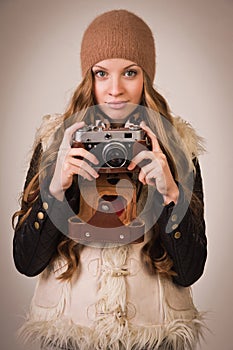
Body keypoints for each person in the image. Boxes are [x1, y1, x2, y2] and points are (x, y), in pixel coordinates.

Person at [12, 9, 207, 350]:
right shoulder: (55, 144)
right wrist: (54, 190)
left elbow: (190, 271)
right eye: (102, 73)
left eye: (129, 72)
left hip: (154, 337)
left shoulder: (177, 147)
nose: (115, 89)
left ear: (146, 77)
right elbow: (26, 263)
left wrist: (171, 193)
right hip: (71, 335)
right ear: (89, 78)